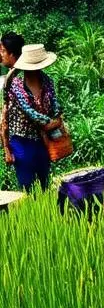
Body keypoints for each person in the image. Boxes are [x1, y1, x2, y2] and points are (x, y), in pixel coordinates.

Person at [3, 43, 63, 191]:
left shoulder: (48, 82)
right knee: (27, 185)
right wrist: (53, 123)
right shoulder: (16, 86)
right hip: (22, 141)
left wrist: (55, 119)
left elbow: (56, 106)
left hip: (42, 140)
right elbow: (31, 113)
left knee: (44, 183)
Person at [0, 32, 26, 173]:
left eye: (3, 50)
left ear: (12, 54)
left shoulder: (14, 80)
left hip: (20, 142)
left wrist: (6, 148)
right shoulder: (25, 74)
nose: (1, 54)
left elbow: (5, 118)